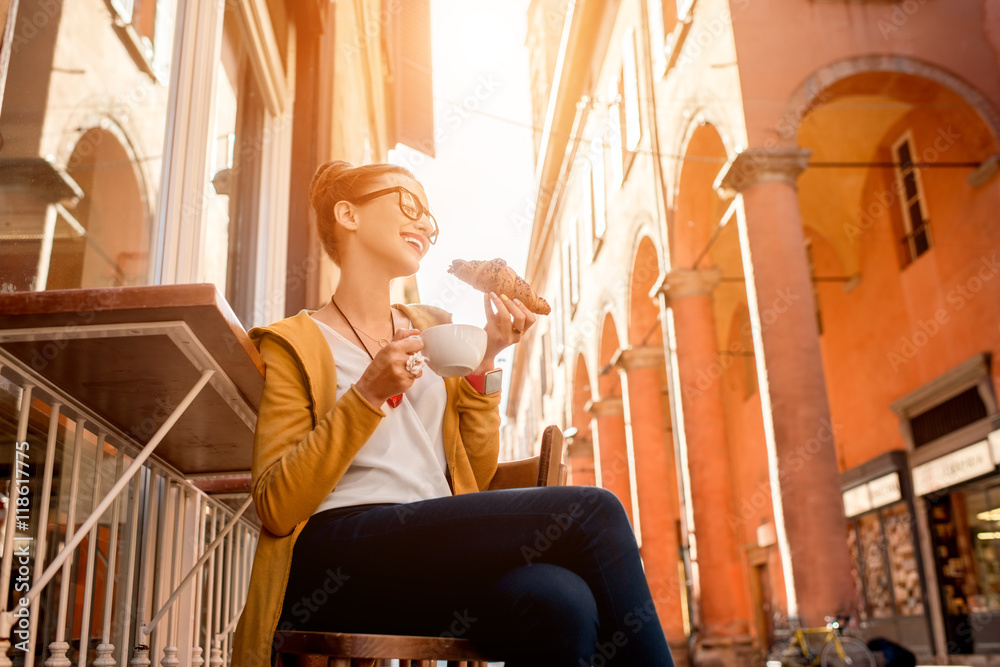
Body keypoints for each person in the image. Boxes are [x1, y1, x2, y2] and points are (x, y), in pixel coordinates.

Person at [231, 160, 674, 667]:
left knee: (560, 599)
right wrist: (366, 396)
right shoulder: (294, 342)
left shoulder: (435, 329)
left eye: (430, 216)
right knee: (594, 511)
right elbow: (275, 504)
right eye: (408, 204)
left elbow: (475, 472)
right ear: (348, 214)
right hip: (340, 555)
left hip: (430, 551)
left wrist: (487, 362)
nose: (425, 223)